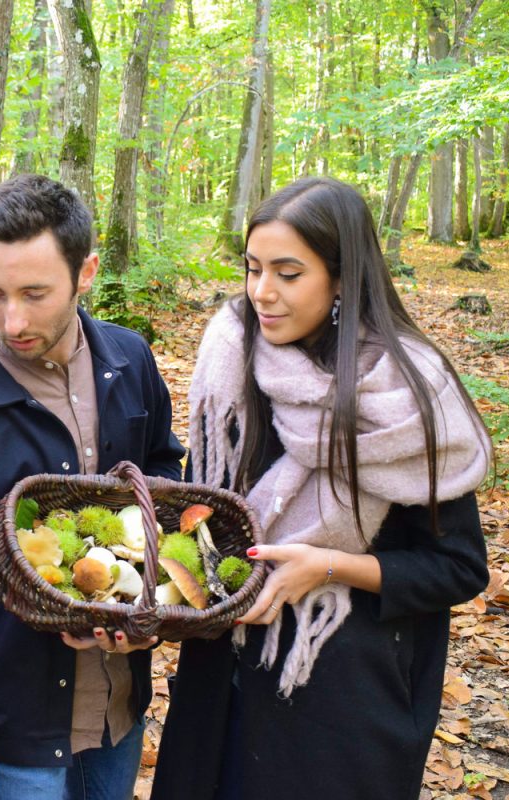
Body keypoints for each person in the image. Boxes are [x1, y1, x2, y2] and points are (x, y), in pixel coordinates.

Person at [151, 177, 491, 800]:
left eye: (288, 273)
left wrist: (330, 567)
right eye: (253, 269)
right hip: (218, 692)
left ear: (341, 279)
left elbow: (458, 567)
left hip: (336, 708)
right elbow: (205, 510)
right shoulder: (233, 358)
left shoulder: (404, 397)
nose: (262, 293)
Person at [0, 173, 185, 800]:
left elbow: (165, 475)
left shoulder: (129, 362)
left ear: (85, 273)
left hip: (118, 710)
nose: (12, 319)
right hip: (14, 729)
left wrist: (148, 603)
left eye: (35, 293)